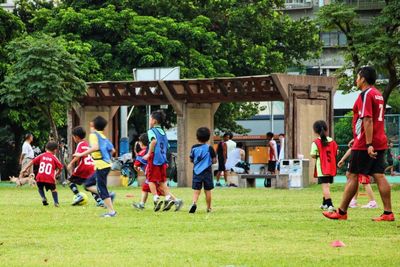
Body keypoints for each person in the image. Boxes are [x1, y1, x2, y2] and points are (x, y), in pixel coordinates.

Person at [323, 66, 394, 221]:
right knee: (380, 175)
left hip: (366, 143)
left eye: (357, 77)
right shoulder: (378, 94)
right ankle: (388, 213)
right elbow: (372, 120)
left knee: (352, 174)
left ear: (363, 79)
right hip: (378, 139)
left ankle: (341, 212)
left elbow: (367, 119)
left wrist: (367, 143)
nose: (356, 80)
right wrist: (357, 136)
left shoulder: (366, 95)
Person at [74, 116, 117, 217]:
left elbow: (95, 147)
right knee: (88, 184)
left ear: (93, 125)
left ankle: (111, 212)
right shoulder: (103, 136)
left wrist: (81, 154)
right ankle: (108, 195)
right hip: (104, 165)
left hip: (101, 165)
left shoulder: (93, 135)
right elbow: (113, 150)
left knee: (101, 188)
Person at [133, 133, 183, 211]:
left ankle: (173, 200)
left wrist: (137, 169)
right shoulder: (155, 151)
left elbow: (136, 166)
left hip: (151, 174)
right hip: (158, 171)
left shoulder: (142, 153)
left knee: (155, 189)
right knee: (152, 188)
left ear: (141, 143)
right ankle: (142, 204)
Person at [142, 110, 174, 212]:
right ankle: (168, 198)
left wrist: (148, 153)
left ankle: (156, 198)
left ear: (154, 121)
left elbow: (154, 141)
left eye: (150, 118)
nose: (149, 120)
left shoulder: (151, 131)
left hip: (154, 159)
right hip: (163, 160)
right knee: (162, 180)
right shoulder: (163, 132)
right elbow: (167, 146)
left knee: (150, 179)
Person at [67, 126, 103, 206]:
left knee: (69, 181)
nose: (73, 138)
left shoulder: (80, 144)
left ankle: (78, 195)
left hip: (84, 167)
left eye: (73, 137)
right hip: (92, 167)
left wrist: (71, 163)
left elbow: (78, 156)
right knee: (89, 185)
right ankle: (99, 201)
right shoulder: (87, 144)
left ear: (76, 137)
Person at [20, 141, 63, 207]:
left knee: (40, 188)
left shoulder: (42, 155)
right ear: (55, 150)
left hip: (39, 177)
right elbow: (60, 167)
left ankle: (43, 198)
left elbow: (32, 161)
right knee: (53, 190)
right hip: (49, 178)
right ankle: (56, 202)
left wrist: (25, 169)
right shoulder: (54, 158)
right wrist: (56, 174)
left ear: (46, 148)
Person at [310, 120, 338, 212]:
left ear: (315, 131)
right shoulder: (332, 141)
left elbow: (313, 155)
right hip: (331, 167)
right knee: (327, 186)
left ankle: (330, 205)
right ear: (326, 129)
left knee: (325, 186)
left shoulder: (316, 142)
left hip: (321, 168)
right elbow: (336, 152)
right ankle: (324, 203)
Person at [189, 127, 217, 213]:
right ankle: (208, 208)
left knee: (196, 191)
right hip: (207, 172)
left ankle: (194, 203)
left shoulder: (193, 148)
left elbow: (191, 159)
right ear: (208, 137)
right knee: (207, 190)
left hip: (197, 172)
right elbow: (214, 160)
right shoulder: (210, 148)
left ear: (197, 137)